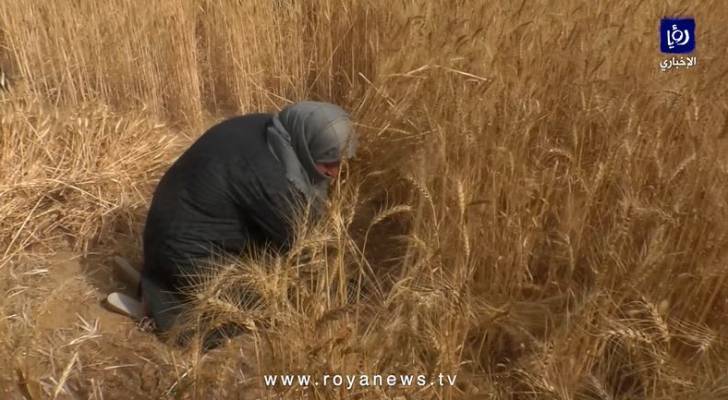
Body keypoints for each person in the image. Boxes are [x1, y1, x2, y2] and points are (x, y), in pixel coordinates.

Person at [138, 101, 357, 335]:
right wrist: (347, 286)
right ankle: (166, 312)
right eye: (327, 163)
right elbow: (305, 249)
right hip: (184, 256)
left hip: (167, 228)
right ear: (306, 144)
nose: (334, 173)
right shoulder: (272, 183)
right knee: (270, 309)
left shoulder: (268, 126)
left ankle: (160, 288)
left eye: (339, 163)